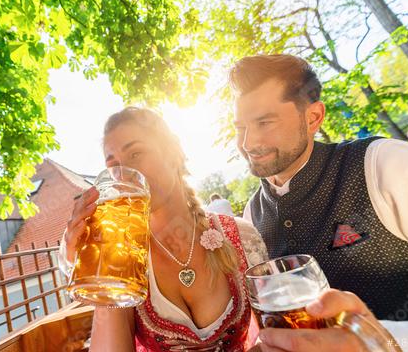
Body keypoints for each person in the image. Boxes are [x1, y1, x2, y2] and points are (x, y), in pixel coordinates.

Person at [230, 54, 408, 350]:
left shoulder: (383, 164)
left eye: (264, 122)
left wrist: (380, 341)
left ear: (313, 118)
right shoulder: (252, 215)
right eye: (240, 127)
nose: (248, 144)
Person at [64, 107, 268, 351]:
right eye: (114, 165)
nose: (125, 175)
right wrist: (107, 274)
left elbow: (276, 333)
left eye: (136, 154)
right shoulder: (125, 261)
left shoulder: (241, 236)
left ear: (173, 154)